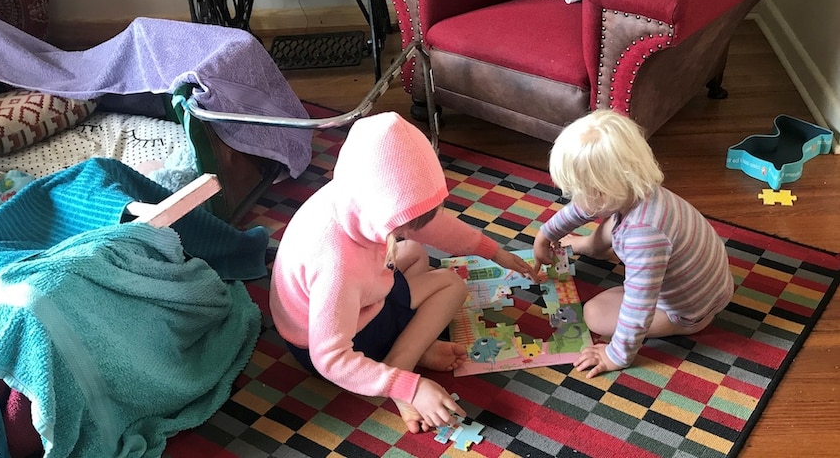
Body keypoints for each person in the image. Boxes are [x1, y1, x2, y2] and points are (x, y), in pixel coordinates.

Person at [270, 112, 539, 433]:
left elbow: (431, 226)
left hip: (337, 308)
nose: (411, 229)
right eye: (403, 226)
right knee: (451, 284)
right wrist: (408, 387)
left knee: (413, 251)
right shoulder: (335, 265)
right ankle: (400, 363)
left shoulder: (352, 196)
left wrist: (495, 252)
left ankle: (410, 348)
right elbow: (330, 359)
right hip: (331, 345)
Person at [532, 109, 733, 378]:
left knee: (594, 314)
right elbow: (587, 208)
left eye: (579, 190)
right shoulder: (636, 190)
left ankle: (685, 326)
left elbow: (639, 308)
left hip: (689, 311)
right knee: (614, 223)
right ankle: (592, 247)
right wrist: (546, 234)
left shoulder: (644, 236)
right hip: (709, 284)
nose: (575, 198)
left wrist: (616, 355)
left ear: (602, 191)